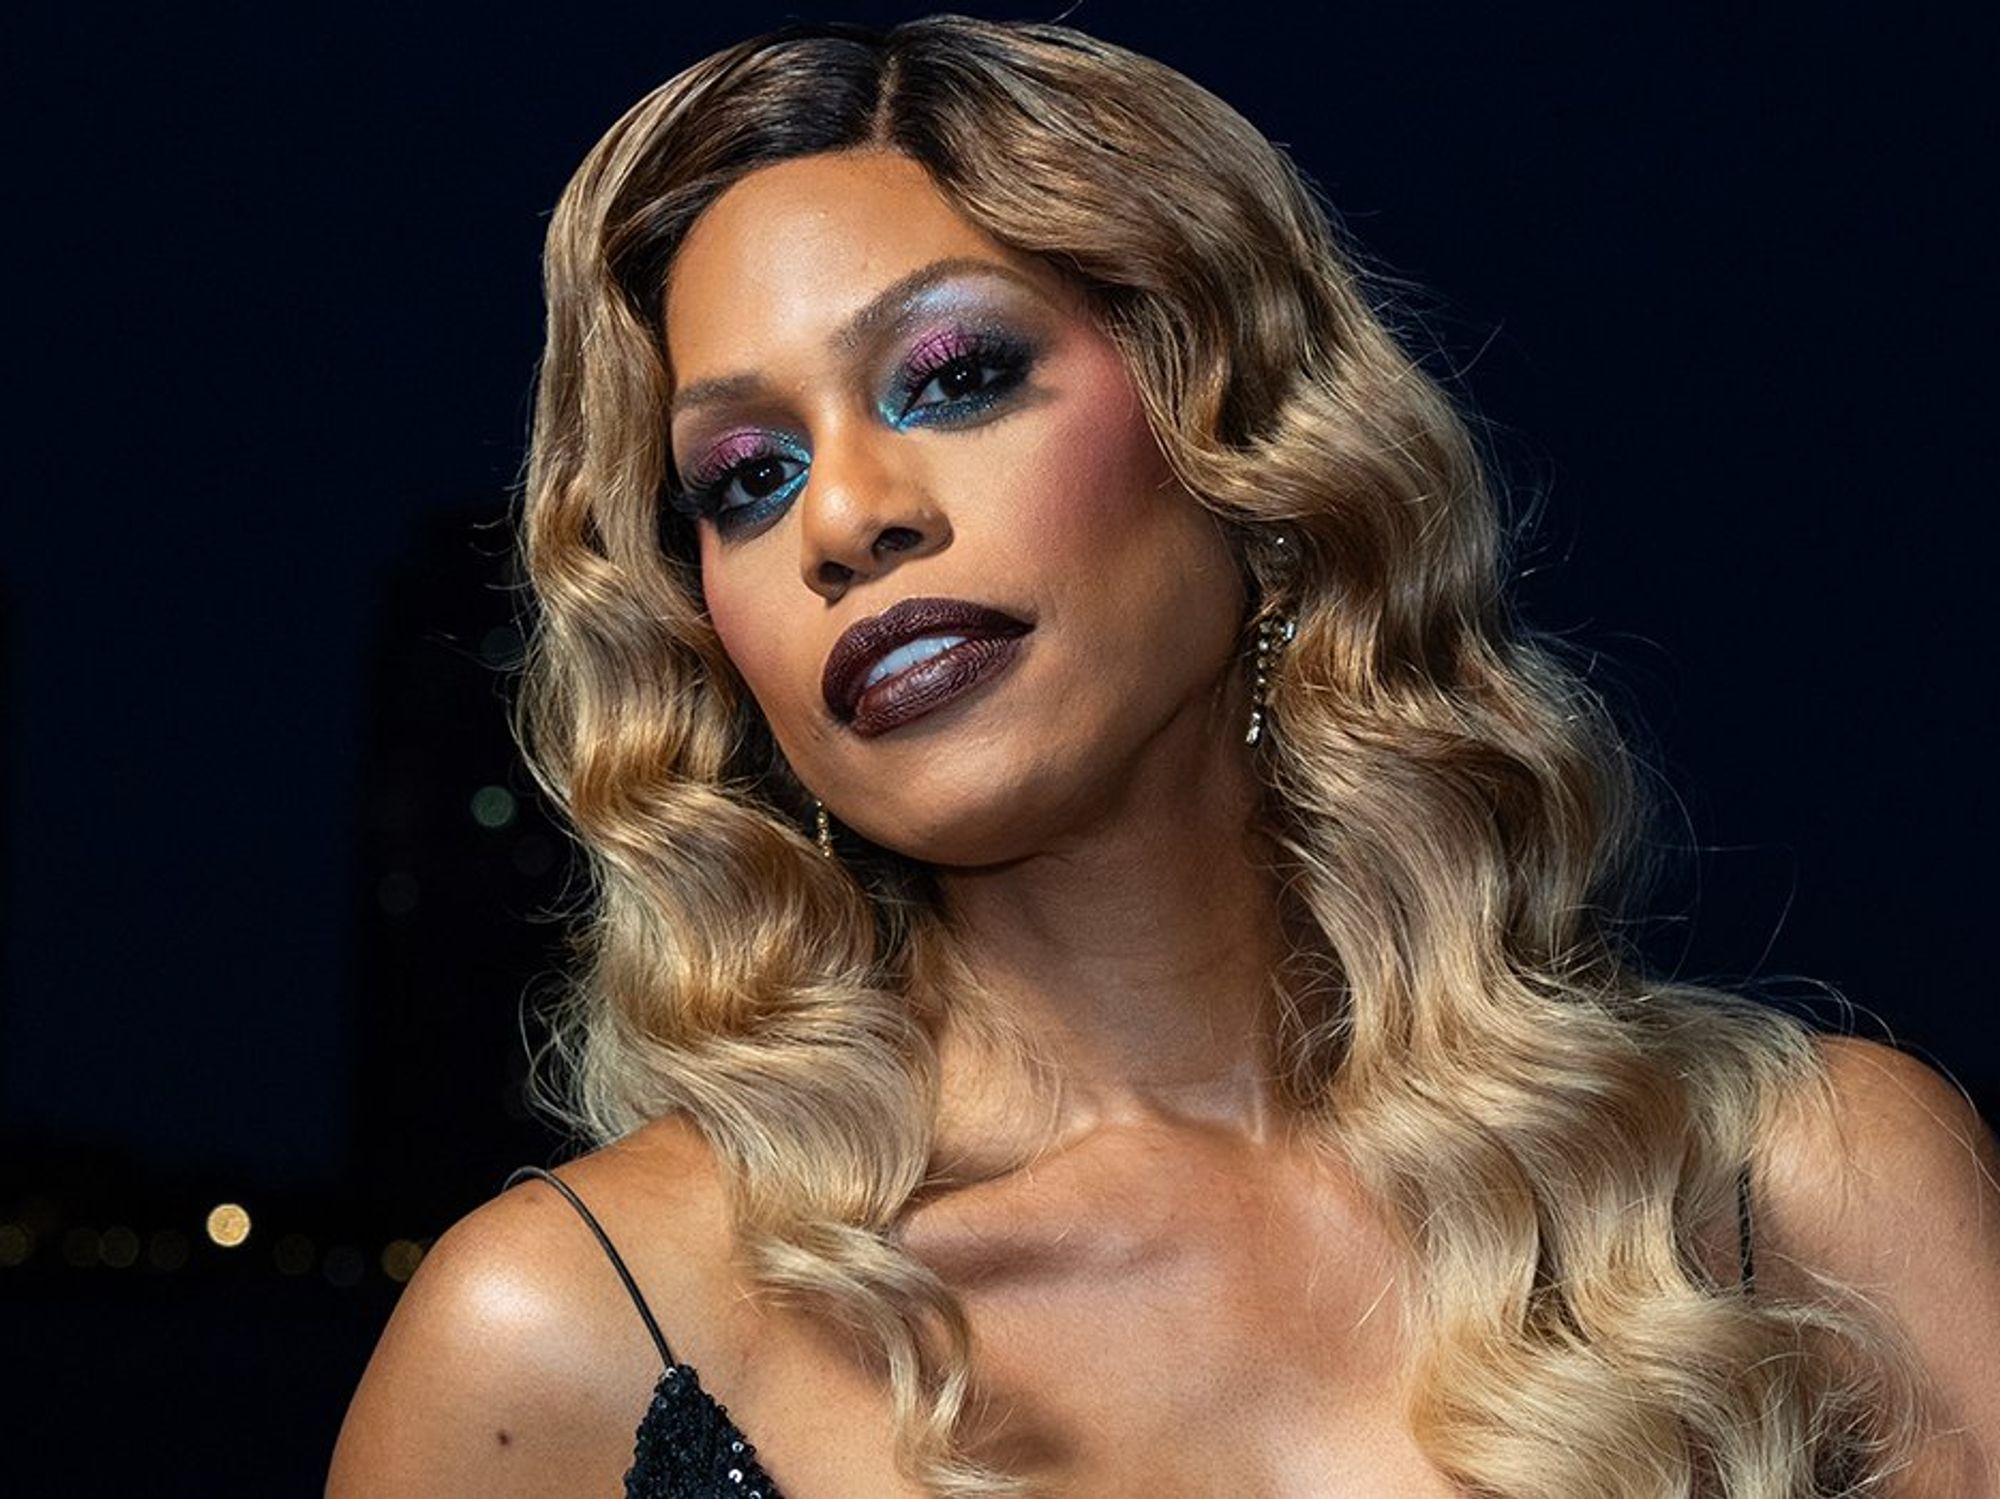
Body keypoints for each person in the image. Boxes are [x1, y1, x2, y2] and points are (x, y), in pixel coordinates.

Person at [328, 16, 1999, 1497]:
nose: (842, 517)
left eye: (955, 376)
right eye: (745, 478)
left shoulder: (1807, 1198)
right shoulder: (567, 1340)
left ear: (1243, 440)